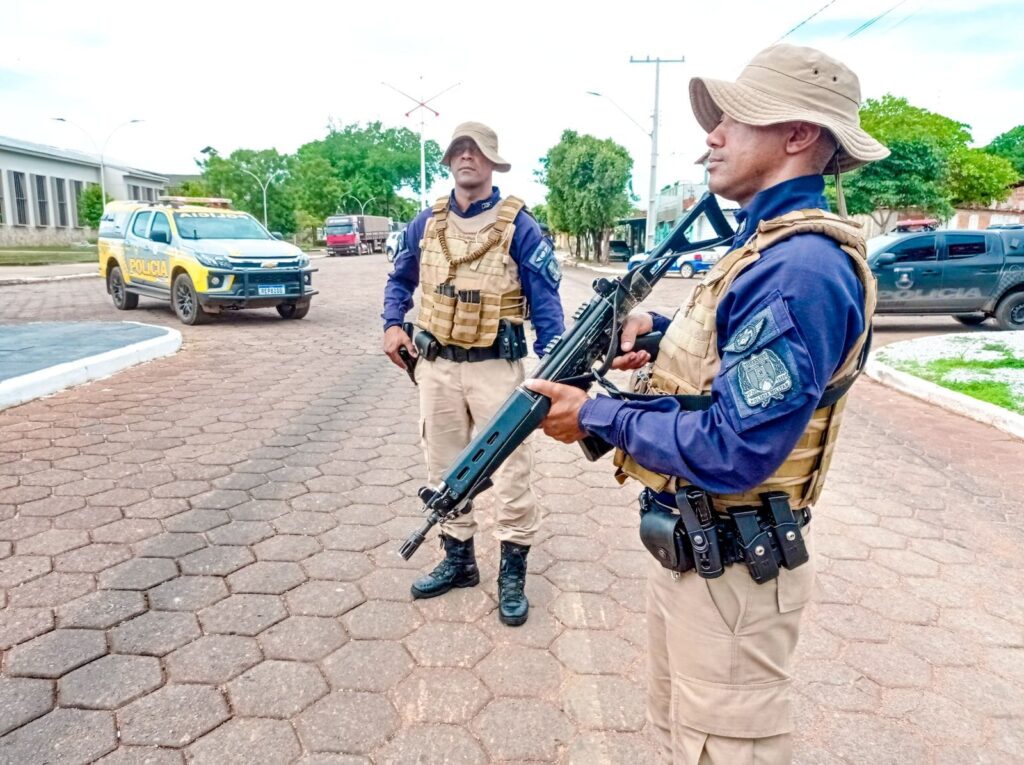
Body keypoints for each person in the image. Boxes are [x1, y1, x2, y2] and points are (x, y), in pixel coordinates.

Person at [525, 44, 888, 763]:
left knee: (720, 749)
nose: (711, 137)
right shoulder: (763, 248)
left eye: (734, 119)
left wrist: (593, 415)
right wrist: (661, 334)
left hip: (736, 576)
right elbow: (732, 362)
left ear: (798, 134)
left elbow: (735, 448)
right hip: (701, 555)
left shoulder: (800, 266)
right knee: (682, 738)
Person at [382, 121, 565, 627]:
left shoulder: (520, 226)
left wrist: (556, 370)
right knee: (443, 467)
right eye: (459, 150)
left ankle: (512, 575)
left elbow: (546, 304)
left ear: (492, 163)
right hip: (436, 368)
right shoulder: (426, 223)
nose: (467, 157)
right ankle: (459, 562)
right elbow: (399, 279)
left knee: (510, 473)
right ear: (449, 161)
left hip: (497, 371)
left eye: (477, 150)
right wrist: (392, 324)